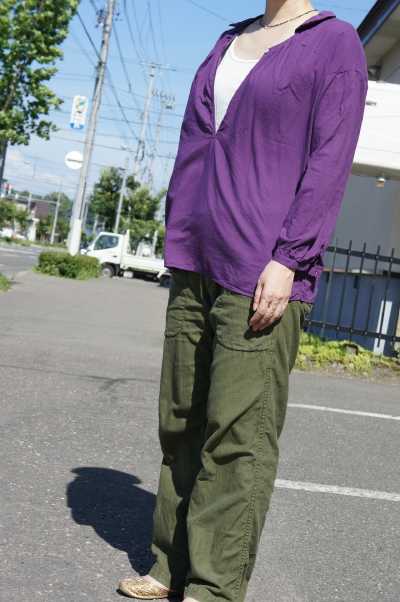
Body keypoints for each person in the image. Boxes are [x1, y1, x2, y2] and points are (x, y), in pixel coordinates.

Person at [118, 1, 368, 601]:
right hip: (195, 256)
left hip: (262, 267)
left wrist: (290, 257)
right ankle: (169, 565)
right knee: (180, 422)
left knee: (237, 437)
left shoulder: (334, 43)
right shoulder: (229, 39)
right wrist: (178, 225)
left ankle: (213, 587)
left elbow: (330, 160)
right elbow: (195, 141)